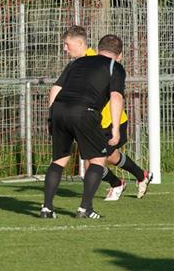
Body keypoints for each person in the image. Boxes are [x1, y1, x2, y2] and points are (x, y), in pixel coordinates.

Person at [48, 26, 152, 201]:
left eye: (67, 44)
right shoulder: (77, 63)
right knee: (102, 158)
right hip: (87, 119)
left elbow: (115, 95)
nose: (65, 49)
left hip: (108, 120)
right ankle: (126, 180)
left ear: (80, 44)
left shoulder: (95, 60)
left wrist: (116, 128)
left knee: (100, 159)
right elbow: (57, 87)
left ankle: (130, 179)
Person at [42, 34, 126, 219]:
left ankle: (47, 208)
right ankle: (85, 209)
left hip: (58, 110)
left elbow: (55, 89)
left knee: (59, 160)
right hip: (84, 112)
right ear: (119, 55)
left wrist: (51, 117)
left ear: (97, 49)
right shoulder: (115, 67)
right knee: (97, 159)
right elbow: (116, 97)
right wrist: (115, 129)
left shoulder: (77, 62)